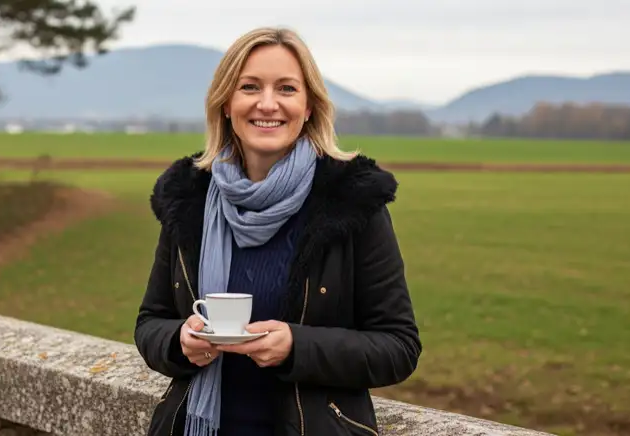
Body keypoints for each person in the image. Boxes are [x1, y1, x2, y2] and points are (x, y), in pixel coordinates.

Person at [134, 26, 421, 436]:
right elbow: (150, 323)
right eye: (250, 87)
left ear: (309, 106)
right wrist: (179, 341)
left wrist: (296, 347)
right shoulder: (189, 198)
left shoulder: (352, 201)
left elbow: (398, 347)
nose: (267, 104)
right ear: (226, 104)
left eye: (286, 89)